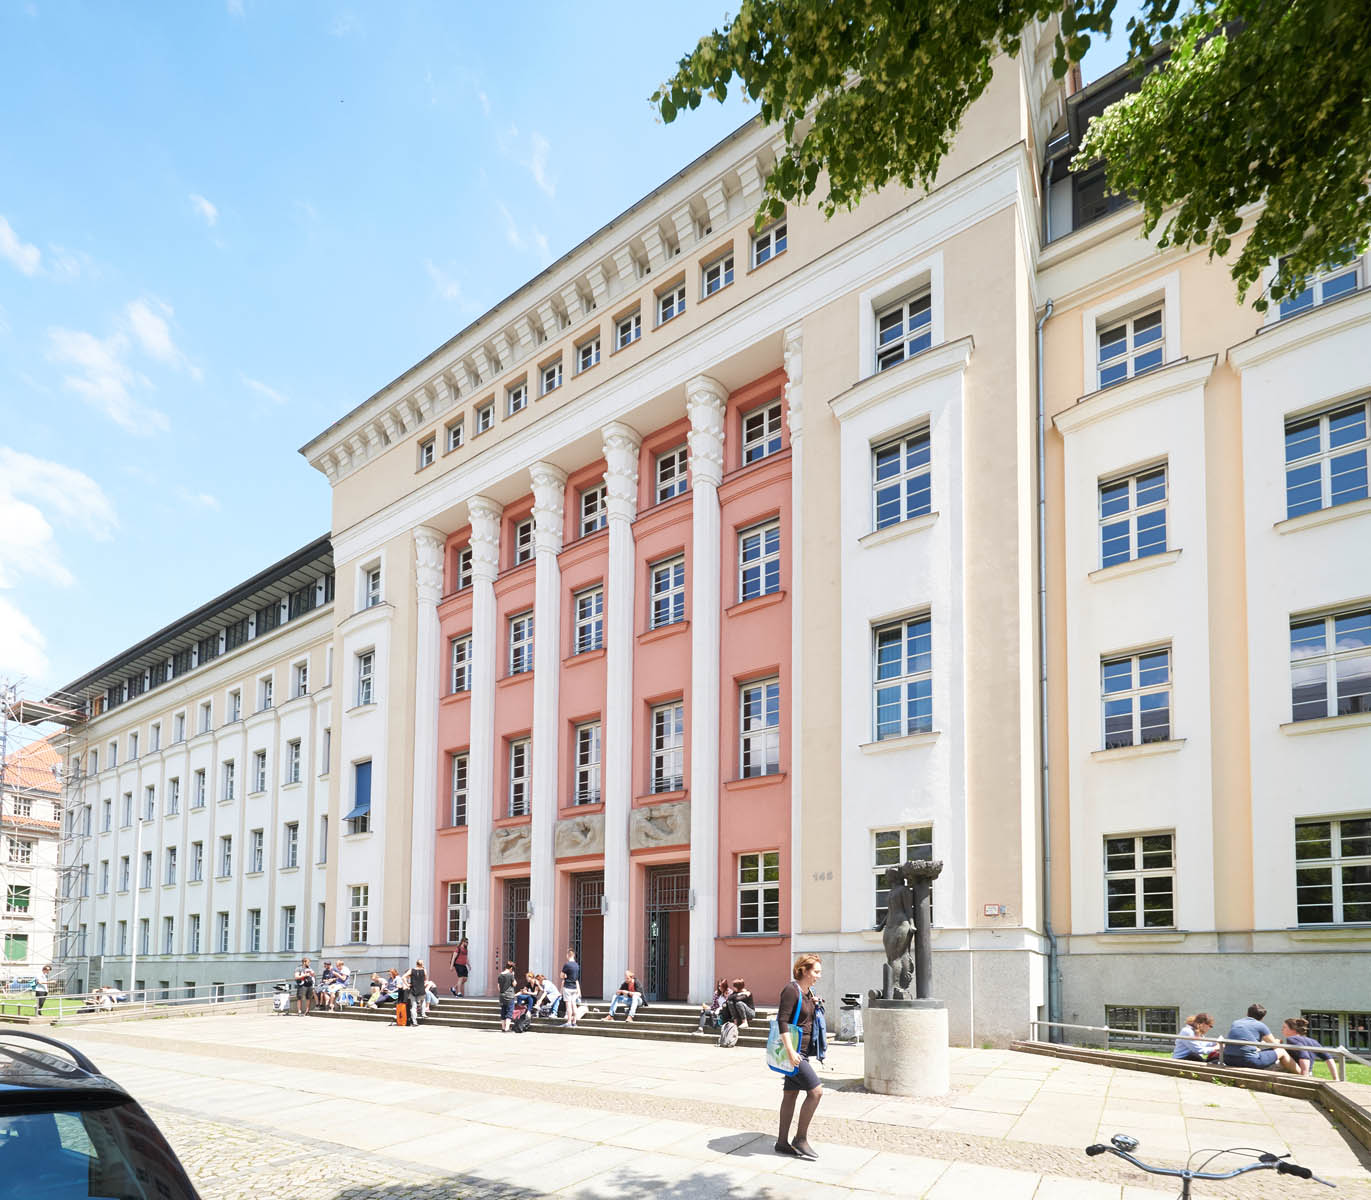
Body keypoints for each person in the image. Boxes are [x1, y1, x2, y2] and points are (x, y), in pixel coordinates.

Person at [775, 952, 824, 1162]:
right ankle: (800, 1138)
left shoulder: (807, 992)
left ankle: (781, 1142)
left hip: (801, 1052)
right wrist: (790, 1051)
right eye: (816, 971)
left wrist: (814, 1002)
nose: (818, 976)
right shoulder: (791, 990)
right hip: (794, 1053)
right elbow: (782, 1020)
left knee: (791, 1094)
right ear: (803, 970)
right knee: (816, 1092)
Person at [1221, 1003, 1298, 1072]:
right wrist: (1277, 1041)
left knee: (1259, 1051)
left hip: (1228, 1059)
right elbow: (1275, 1045)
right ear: (1262, 1018)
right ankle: (1303, 1074)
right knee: (1281, 1051)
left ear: (1247, 1013)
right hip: (1247, 1060)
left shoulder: (1236, 1023)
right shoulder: (1261, 1026)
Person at [560, 948, 582, 1028]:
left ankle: (569, 1022)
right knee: (574, 1004)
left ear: (568, 955)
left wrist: (565, 976)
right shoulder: (577, 965)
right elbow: (576, 978)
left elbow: (561, 975)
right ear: (574, 956)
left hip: (568, 987)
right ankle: (574, 1022)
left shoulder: (567, 965)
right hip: (574, 987)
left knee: (568, 1005)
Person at [497, 959, 518, 1032]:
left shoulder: (500, 975)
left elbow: (498, 987)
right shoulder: (510, 975)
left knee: (503, 1011)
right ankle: (507, 1028)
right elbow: (514, 984)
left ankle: (503, 1027)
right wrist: (513, 976)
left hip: (502, 996)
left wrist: (502, 992)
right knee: (509, 1011)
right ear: (511, 968)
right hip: (509, 996)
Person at [408, 959, 428, 1024]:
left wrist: (407, 984)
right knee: (423, 1001)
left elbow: (403, 977)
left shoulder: (411, 970)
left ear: (416, 964)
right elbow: (426, 979)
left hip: (413, 990)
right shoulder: (424, 970)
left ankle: (414, 1021)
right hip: (421, 990)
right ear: (422, 964)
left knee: (413, 1006)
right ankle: (423, 1013)